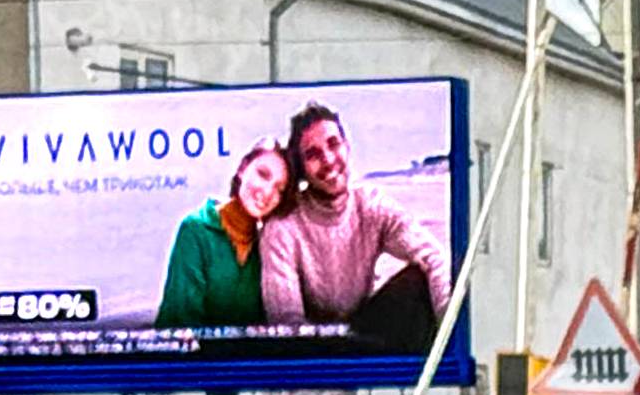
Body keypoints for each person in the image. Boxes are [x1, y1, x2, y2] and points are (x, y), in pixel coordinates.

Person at [259, 102, 451, 338]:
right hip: (313, 345)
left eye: (334, 144)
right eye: (313, 155)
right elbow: (287, 323)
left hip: (362, 332)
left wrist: (453, 335)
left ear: (347, 146)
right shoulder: (283, 227)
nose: (328, 160)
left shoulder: (370, 205)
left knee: (419, 278)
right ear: (301, 168)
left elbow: (433, 256)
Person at [152, 142, 288, 331]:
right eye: (263, 175)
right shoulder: (196, 230)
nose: (268, 192)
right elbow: (180, 323)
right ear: (242, 169)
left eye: (279, 189)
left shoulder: (268, 246)